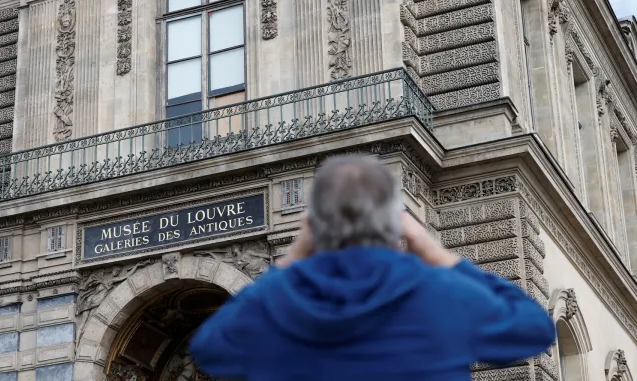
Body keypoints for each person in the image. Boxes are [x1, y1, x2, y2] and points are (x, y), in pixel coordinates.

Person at [189, 155, 556, 381]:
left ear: (314, 225)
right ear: (395, 222)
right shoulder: (440, 292)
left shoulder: (275, 299)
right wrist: (435, 252)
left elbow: (211, 350)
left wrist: (289, 259)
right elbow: (533, 330)